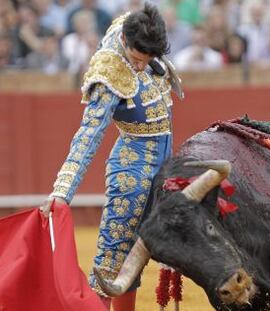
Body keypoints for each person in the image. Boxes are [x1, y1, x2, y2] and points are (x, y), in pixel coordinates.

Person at [40, 3, 183, 311]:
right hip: (133, 168)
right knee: (113, 260)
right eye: (136, 60)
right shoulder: (108, 71)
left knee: (148, 253)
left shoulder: (135, 28)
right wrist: (62, 191)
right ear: (125, 45)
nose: (142, 67)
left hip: (166, 163)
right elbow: (88, 135)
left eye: (148, 60)